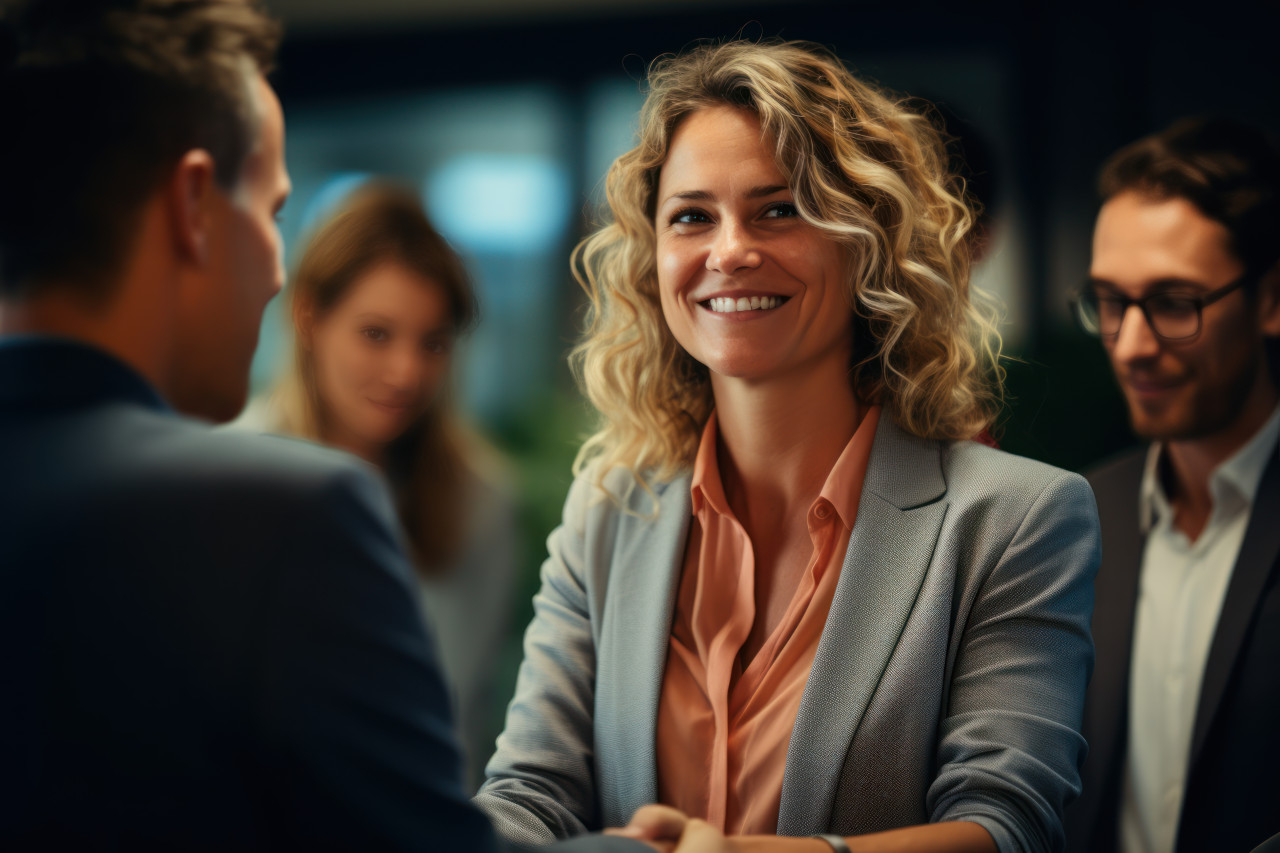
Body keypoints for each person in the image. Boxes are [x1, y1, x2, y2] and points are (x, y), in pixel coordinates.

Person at [0, 1, 647, 849]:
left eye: (431, 341)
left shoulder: (471, 498)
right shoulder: (284, 509)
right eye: (270, 213)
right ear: (194, 202)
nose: (274, 269)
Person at [474, 39, 1100, 853]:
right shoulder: (607, 511)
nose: (730, 250)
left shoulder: (1015, 516)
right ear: (653, 256)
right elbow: (529, 792)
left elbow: (1005, 827)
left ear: (864, 240)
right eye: (692, 216)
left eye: (780, 209)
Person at [242, 182, 520, 791]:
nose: (406, 372)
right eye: (376, 333)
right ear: (308, 317)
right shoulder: (229, 482)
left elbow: (462, 724)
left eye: (432, 342)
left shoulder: (480, 502)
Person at [1064, 118, 1280, 853]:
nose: (1130, 344)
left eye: (1174, 303)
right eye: (1110, 302)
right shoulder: (1072, 518)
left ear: (1271, 299)